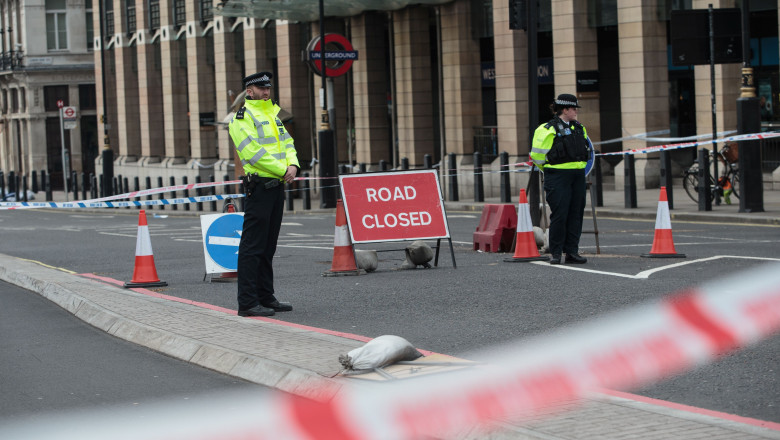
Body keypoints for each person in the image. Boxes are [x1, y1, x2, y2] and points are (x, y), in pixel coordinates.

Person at [229, 71, 299, 317]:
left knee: (268, 246)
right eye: (261, 89)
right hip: (259, 187)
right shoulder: (242, 117)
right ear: (250, 91)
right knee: (252, 247)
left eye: (268, 88)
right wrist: (284, 170)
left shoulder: (273, 115)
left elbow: (288, 143)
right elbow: (252, 153)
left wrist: (293, 166)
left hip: (276, 185)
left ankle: (266, 297)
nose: (266, 92)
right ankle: (247, 303)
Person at [529, 94, 590, 265]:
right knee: (560, 215)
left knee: (575, 214)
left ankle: (572, 251)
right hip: (557, 176)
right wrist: (550, 171)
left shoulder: (579, 127)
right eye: (573, 108)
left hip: (577, 176)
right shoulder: (547, 129)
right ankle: (556, 253)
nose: (576, 111)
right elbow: (537, 156)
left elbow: (585, 150)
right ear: (564, 109)